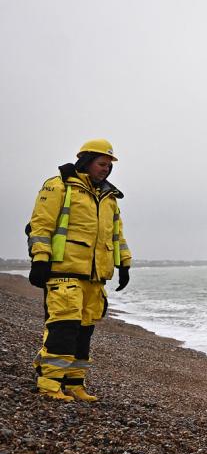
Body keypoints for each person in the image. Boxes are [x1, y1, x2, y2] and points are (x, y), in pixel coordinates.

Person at [26, 139, 131, 402]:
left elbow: (116, 235)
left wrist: (124, 263)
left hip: (95, 278)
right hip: (64, 272)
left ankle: (75, 383)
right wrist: (39, 259)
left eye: (109, 165)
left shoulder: (108, 197)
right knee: (63, 328)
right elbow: (40, 224)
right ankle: (50, 384)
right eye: (101, 163)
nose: (106, 169)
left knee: (85, 331)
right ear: (86, 161)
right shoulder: (59, 185)